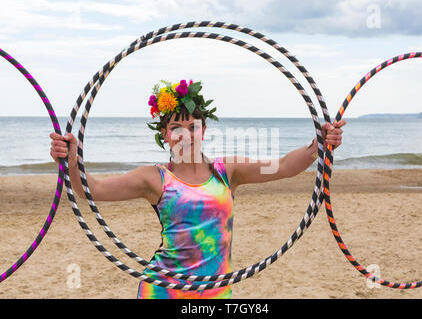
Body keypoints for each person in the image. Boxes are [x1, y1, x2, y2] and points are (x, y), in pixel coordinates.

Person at [50, 79, 346, 299]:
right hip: (165, 290)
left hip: (216, 292)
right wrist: (73, 163)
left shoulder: (226, 171)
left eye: (193, 126)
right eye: (177, 127)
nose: (186, 134)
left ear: (203, 130)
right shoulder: (155, 178)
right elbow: (94, 190)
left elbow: (282, 167)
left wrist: (317, 145)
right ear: (165, 135)